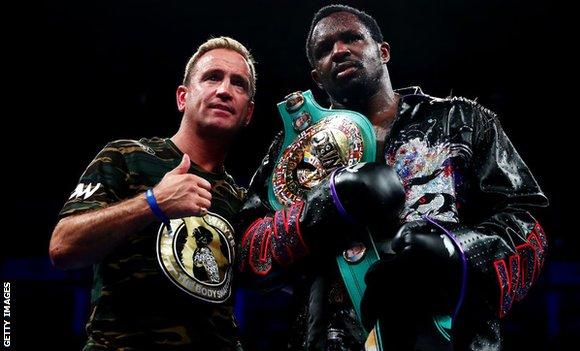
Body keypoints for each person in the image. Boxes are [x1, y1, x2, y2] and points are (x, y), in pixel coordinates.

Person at [236, 4, 548, 351]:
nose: (339, 51)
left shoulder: (462, 120)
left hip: (447, 337)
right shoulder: (295, 149)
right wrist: (326, 203)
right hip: (327, 340)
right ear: (316, 76)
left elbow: (528, 226)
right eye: (324, 50)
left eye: (352, 38)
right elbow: (248, 253)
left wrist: (454, 251)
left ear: (382, 51)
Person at [49, 36, 256, 351]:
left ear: (248, 113)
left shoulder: (242, 199)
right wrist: (153, 203)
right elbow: (63, 247)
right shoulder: (127, 156)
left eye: (238, 84)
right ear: (182, 97)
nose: (224, 90)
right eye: (212, 77)